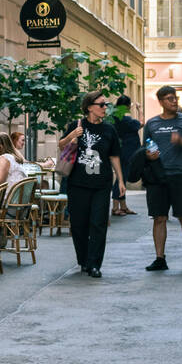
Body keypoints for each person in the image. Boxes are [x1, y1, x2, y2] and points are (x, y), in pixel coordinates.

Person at [58, 91, 125, 277]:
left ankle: (95, 264)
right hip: (77, 183)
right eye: (101, 104)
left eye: (106, 105)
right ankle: (83, 260)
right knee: (79, 224)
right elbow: (61, 145)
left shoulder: (109, 129)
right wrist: (72, 134)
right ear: (89, 107)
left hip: (102, 184)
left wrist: (120, 180)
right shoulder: (76, 125)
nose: (105, 108)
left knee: (98, 223)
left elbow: (114, 156)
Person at [142, 86, 182, 271]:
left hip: (180, 175)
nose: (174, 101)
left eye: (175, 98)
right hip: (158, 177)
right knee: (159, 218)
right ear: (161, 102)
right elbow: (147, 146)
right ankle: (160, 259)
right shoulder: (151, 124)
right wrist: (149, 154)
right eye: (169, 99)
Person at [111, 95, 142, 216]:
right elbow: (141, 123)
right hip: (127, 152)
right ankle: (115, 207)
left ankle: (123, 206)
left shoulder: (115, 118)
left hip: (121, 151)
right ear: (128, 106)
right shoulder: (126, 120)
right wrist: (140, 110)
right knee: (121, 179)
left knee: (122, 178)